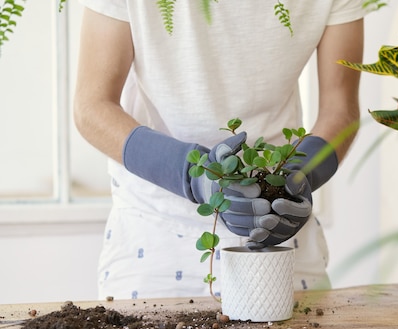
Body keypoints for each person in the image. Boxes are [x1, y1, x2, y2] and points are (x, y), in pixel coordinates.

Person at [73, 1, 365, 300]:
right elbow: (92, 107)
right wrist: (191, 174)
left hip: (279, 223)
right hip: (155, 229)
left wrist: (299, 175)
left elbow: (340, 109)